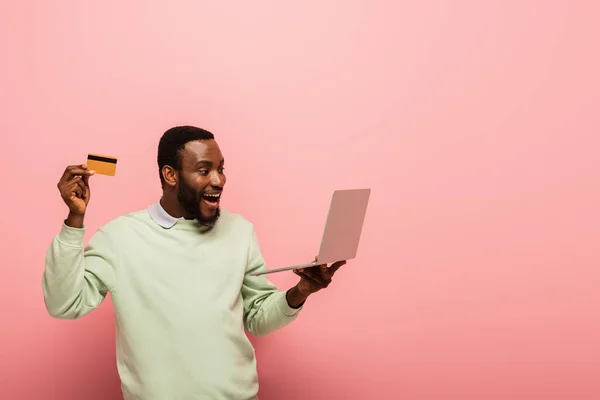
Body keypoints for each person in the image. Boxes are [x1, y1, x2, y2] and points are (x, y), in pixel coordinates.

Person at [42, 125, 346, 400]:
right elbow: (64, 303)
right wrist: (74, 222)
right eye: (204, 170)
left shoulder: (240, 231)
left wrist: (300, 292)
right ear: (170, 175)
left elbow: (257, 318)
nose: (219, 180)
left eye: (221, 169)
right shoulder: (120, 236)